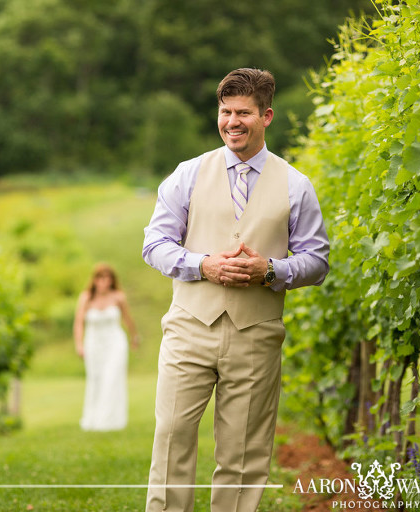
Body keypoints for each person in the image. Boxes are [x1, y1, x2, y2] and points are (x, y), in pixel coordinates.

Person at [142, 68, 330, 511]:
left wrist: (270, 270)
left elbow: (317, 261)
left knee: (243, 457)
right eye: (225, 112)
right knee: (171, 439)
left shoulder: (296, 185)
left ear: (266, 116)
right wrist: (202, 264)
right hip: (189, 329)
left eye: (243, 113)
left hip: (256, 336)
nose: (232, 122)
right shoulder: (187, 175)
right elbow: (155, 244)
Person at [74, 263, 139, 431]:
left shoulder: (118, 297)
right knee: (95, 379)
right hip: (93, 343)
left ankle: (111, 420)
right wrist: (79, 344)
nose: (104, 282)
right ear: (95, 280)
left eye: (107, 278)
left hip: (115, 342)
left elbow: (127, 319)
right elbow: (79, 323)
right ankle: (93, 418)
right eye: (100, 278)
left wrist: (134, 337)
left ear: (112, 280)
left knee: (112, 378)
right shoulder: (86, 298)